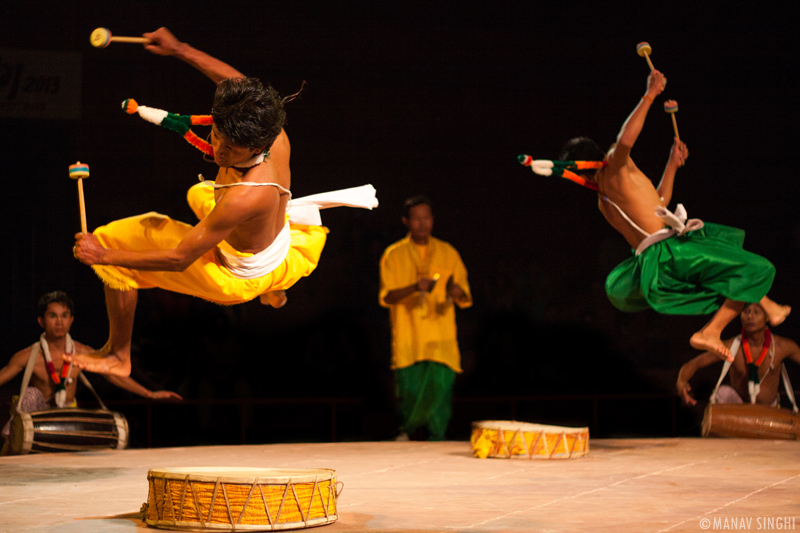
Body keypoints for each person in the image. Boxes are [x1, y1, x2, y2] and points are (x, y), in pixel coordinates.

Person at [71, 28, 376, 376]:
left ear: (257, 147)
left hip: (233, 273)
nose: (217, 149)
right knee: (197, 192)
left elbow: (179, 259)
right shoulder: (268, 124)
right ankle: (275, 286)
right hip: (276, 241)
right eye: (217, 136)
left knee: (113, 239)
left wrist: (102, 254)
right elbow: (236, 82)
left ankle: (118, 356)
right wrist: (179, 48)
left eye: (230, 149)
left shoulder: (244, 195)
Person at [558, 68, 790, 360]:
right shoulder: (613, 167)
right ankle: (710, 331)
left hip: (654, 262)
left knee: (728, 270)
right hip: (669, 252)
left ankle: (767, 306)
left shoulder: (604, 200)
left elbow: (658, 203)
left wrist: (671, 166)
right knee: (757, 269)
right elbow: (625, 140)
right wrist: (650, 94)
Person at [1, 291, 182, 455]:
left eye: (64, 316)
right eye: (52, 316)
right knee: (31, 395)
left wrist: (149, 394)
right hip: (34, 421)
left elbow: (112, 374)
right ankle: (10, 451)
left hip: (66, 419)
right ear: (41, 321)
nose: (59, 322)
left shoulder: (82, 352)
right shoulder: (28, 355)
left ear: (71, 319)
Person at [379, 196, 472, 441]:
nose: (423, 223)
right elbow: (386, 297)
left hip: (441, 343)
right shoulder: (393, 254)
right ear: (406, 222)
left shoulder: (448, 252)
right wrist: (413, 287)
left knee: (440, 403)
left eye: (427, 218)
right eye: (417, 219)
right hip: (410, 342)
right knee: (409, 397)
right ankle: (406, 433)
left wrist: (455, 291)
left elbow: (463, 291)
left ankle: (435, 447)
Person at [677, 303, 800, 407]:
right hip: (737, 409)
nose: (750, 316)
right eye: (746, 311)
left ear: (767, 317)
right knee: (723, 393)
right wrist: (682, 380)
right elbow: (696, 362)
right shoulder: (731, 346)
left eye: (756, 312)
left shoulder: (781, 346)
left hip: (769, 411)